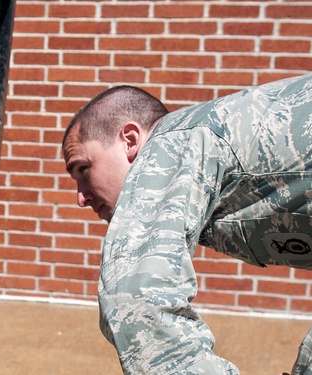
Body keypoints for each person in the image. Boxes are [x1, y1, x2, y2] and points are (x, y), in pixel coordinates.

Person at [62, 73, 312, 374]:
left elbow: (136, 302)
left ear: (130, 140)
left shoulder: (172, 141)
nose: (81, 197)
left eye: (84, 169)